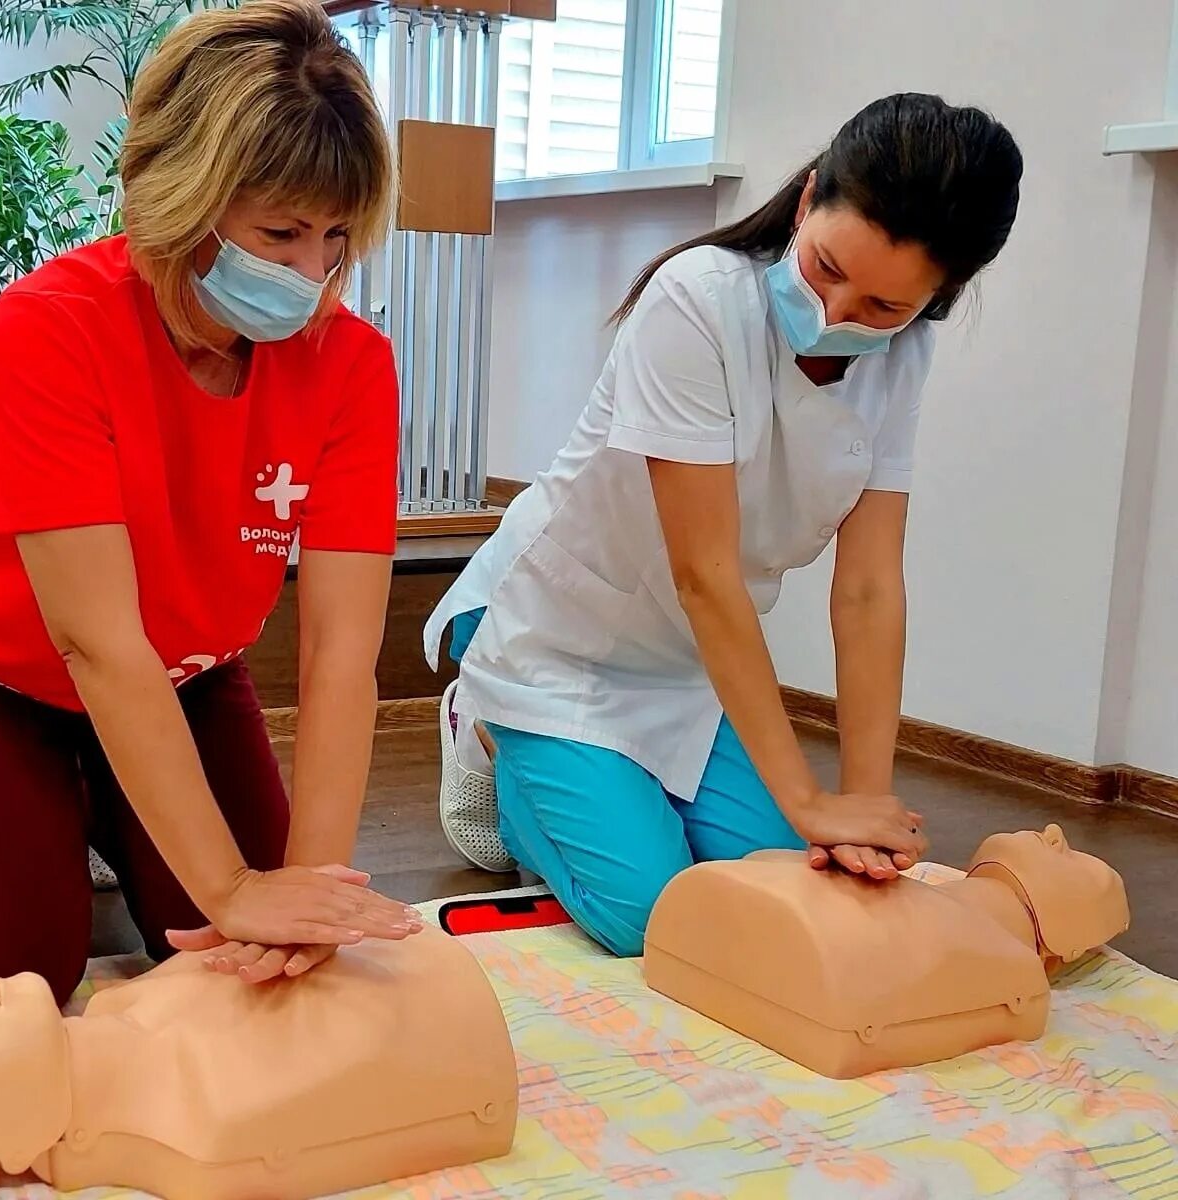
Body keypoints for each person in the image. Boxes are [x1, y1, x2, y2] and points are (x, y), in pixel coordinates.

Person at [0, 0, 420, 1008]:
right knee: (17, 997)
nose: (314, 276)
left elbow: (342, 653)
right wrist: (226, 885)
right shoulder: (51, 327)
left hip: (189, 677)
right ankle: (53, 822)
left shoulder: (351, 363)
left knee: (263, 976)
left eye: (338, 238)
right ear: (183, 197)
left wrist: (307, 890)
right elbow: (96, 644)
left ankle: (112, 825)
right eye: (282, 234)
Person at [423, 93, 1024, 957]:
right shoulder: (698, 300)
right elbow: (703, 572)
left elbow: (867, 589)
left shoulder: (906, 359)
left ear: (937, 299)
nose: (838, 313)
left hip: (685, 661)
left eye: (884, 308)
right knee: (651, 916)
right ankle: (483, 732)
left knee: (780, 893)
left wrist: (861, 811)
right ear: (811, 195)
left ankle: (613, 786)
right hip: (557, 640)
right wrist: (811, 804)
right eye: (825, 268)